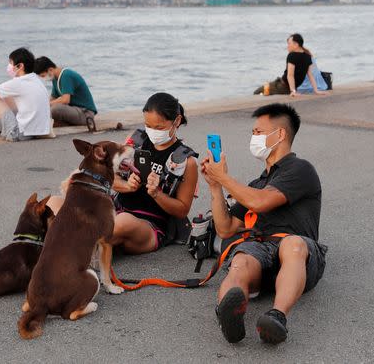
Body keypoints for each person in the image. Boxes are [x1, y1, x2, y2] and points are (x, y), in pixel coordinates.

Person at [200, 103, 326, 345]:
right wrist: (215, 187)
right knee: (241, 260)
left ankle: (276, 317)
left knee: (293, 244)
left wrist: (224, 178)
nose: (253, 138)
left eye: (258, 132)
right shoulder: (256, 184)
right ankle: (228, 314)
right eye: (253, 133)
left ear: (279, 135)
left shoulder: (301, 169)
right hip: (260, 251)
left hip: (298, 257)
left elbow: (261, 202)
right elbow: (226, 228)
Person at [46, 92, 198, 254]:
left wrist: (157, 194)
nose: (152, 131)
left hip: (149, 225)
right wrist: (127, 186)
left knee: (121, 222)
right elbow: (108, 175)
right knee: (52, 203)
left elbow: (182, 210)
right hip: (113, 209)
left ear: (177, 121)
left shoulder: (186, 161)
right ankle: (68, 243)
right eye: (148, 125)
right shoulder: (137, 140)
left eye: (159, 127)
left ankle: (63, 245)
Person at [33, 57, 98, 132]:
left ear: (50, 69)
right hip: (74, 110)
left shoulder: (66, 75)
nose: (44, 78)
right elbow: (53, 98)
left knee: (55, 109)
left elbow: (65, 100)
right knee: (46, 109)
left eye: (43, 76)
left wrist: (47, 104)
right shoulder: (55, 79)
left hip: (86, 114)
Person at [254, 34, 327, 96]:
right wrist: (316, 90)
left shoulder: (292, 55)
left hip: (282, 86)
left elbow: (290, 75)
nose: (287, 46)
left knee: (257, 92)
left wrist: (293, 91)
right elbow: (310, 75)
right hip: (285, 85)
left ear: (296, 45)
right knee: (263, 89)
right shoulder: (308, 56)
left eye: (289, 43)